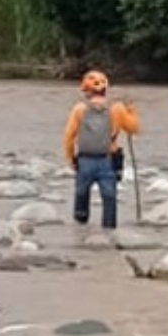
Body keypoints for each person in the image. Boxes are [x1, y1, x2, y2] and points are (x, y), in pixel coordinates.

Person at [63, 69, 141, 230]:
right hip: (108, 160)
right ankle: (109, 232)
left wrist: (71, 159)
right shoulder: (117, 109)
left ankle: (80, 227)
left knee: (81, 195)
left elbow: (69, 137)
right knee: (109, 198)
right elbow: (134, 129)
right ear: (106, 89)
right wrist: (131, 111)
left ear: (86, 90)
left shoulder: (79, 109)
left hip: (84, 160)